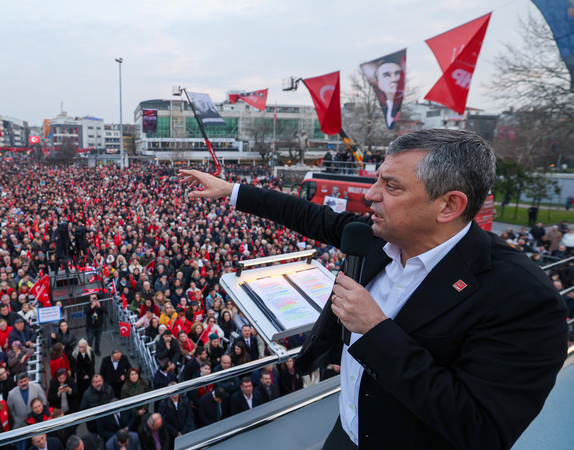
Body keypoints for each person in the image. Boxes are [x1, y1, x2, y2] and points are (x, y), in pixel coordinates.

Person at [178, 128, 569, 448]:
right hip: (346, 433)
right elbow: (313, 217)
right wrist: (231, 191)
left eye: (391, 186)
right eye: (377, 178)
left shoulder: (521, 297)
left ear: (449, 205)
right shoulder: (378, 237)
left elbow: (482, 429)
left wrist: (377, 331)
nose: (370, 194)